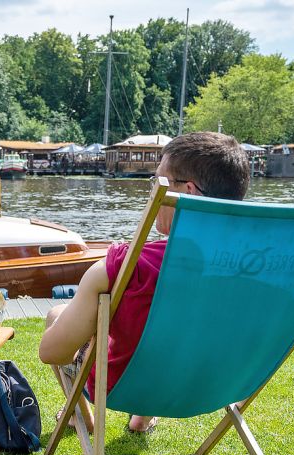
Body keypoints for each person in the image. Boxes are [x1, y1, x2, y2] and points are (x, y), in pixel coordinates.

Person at [38, 132, 250, 434]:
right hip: (220, 386)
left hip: (127, 387)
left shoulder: (126, 266)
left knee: (56, 316)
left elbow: (53, 353)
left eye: (158, 182)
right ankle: (142, 418)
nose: (152, 192)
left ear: (186, 192)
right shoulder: (262, 267)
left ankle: (82, 414)